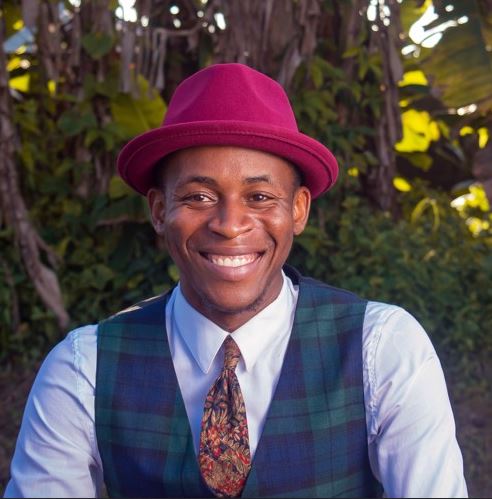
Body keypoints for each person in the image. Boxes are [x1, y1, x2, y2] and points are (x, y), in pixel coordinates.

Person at [4, 63, 467, 498]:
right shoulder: (84, 368)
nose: (229, 225)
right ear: (160, 211)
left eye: (260, 196)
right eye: (199, 196)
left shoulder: (381, 349)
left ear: (298, 210)